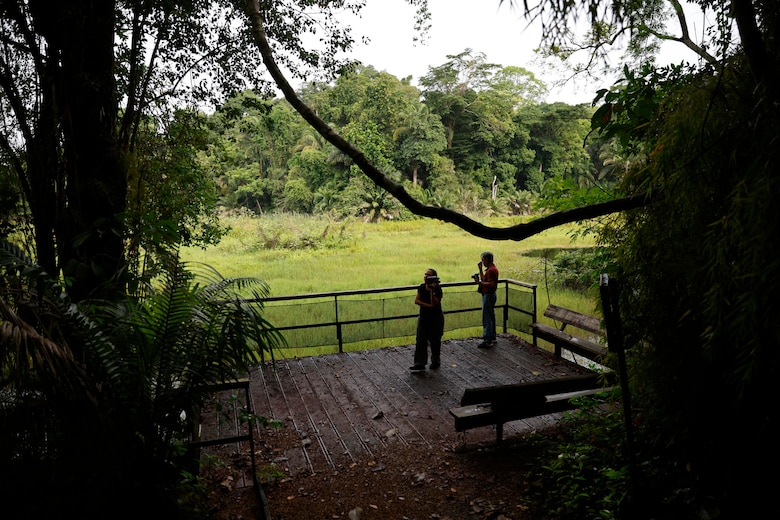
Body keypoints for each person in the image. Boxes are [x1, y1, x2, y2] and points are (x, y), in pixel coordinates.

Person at [410, 268, 444, 371]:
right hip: (424, 317)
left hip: (435, 318)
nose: (425, 276)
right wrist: (428, 306)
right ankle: (420, 363)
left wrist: (432, 291)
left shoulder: (437, 289)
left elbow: (435, 303)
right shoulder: (421, 287)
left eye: (428, 275)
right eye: (425, 274)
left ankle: (435, 361)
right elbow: (417, 300)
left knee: (434, 340)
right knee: (421, 340)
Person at [476, 252, 499, 348]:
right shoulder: (491, 269)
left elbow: (491, 284)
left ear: (486, 260)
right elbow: (485, 280)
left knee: (487, 318)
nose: (482, 262)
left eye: (483, 260)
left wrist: (479, 283)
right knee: (490, 316)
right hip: (490, 295)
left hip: (488, 295)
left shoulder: (491, 271)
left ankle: (487, 340)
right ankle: (492, 337)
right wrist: (480, 270)